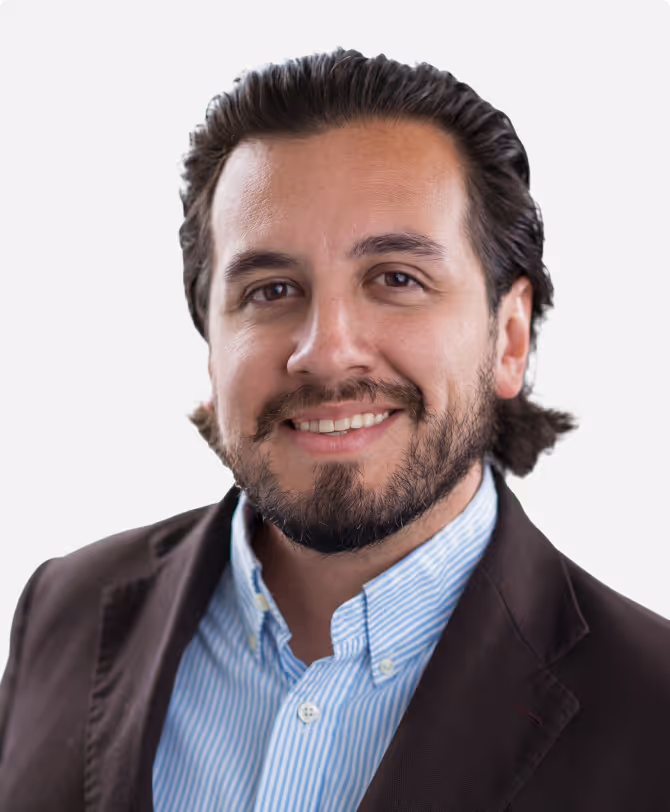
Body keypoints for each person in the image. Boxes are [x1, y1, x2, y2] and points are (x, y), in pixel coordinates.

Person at [1, 47, 669, 812]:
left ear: (508, 339)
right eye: (271, 289)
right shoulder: (63, 609)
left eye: (396, 279)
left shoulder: (654, 711)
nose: (325, 351)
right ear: (210, 347)